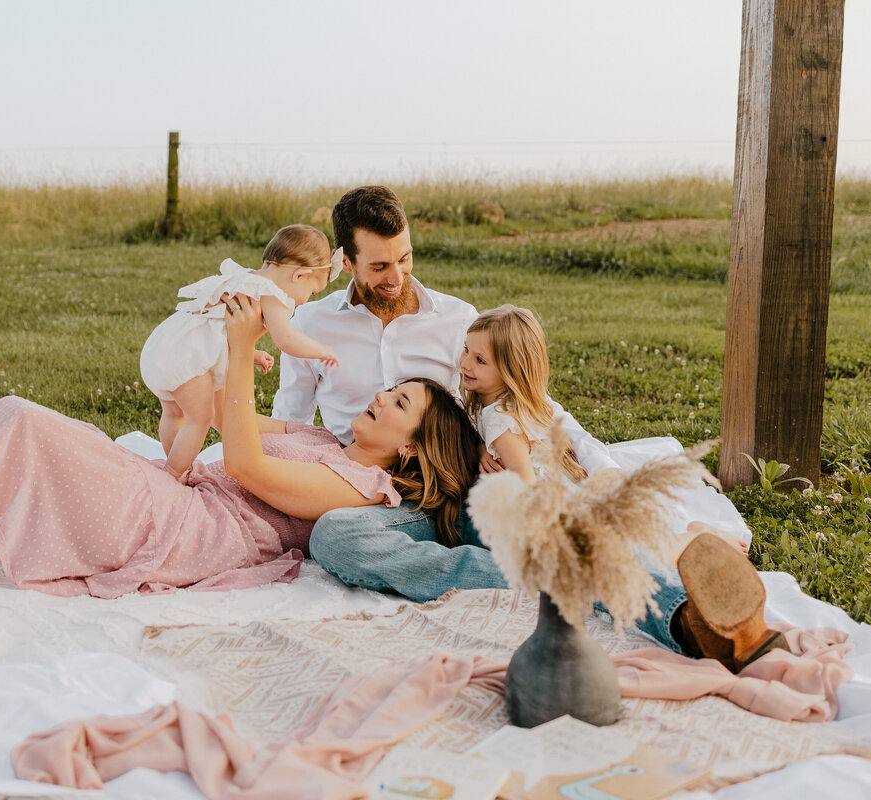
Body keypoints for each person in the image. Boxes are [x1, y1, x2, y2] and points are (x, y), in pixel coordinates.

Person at [275, 185, 784, 672]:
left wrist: (487, 450)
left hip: (461, 478)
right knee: (333, 537)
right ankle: (536, 571)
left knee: (557, 527)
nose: (397, 276)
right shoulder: (312, 324)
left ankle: (691, 622)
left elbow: (504, 396)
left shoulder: (456, 319)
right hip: (377, 491)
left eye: (405, 258)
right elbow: (291, 418)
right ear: (346, 261)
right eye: (380, 266)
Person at [0, 293, 483, 600]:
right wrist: (194, 380)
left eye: (397, 405)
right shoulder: (315, 437)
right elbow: (218, 424)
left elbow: (242, 463)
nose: (377, 397)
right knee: (8, 411)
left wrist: (242, 355)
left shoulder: (359, 493)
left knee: (27, 426)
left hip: (187, 530)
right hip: (173, 491)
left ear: (412, 453)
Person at [141, 224, 342, 481]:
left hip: (165, 347)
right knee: (200, 420)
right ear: (300, 275)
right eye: (312, 293)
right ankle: (173, 474)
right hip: (190, 361)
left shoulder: (245, 277)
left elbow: (220, 329)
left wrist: (253, 353)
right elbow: (286, 339)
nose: (306, 300)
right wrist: (322, 350)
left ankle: (172, 464)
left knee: (173, 413)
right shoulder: (273, 295)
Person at [461, 304, 592, 485]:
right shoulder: (511, 403)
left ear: (510, 370)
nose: (465, 364)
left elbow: (525, 480)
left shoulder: (500, 421)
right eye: (466, 349)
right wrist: (481, 449)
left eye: (480, 360)